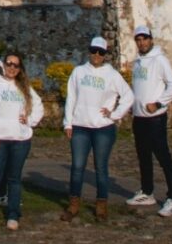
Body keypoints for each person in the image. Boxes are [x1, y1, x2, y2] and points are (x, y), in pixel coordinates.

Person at [61, 35, 134, 223]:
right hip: (80, 126)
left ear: (105, 55)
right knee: (77, 166)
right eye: (93, 51)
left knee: (101, 168)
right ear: (89, 51)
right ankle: (74, 204)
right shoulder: (78, 72)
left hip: (103, 128)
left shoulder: (112, 74)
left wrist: (115, 114)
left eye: (100, 52)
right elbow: (72, 97)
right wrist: (68, 122)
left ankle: (101, 205)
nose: (96, 55)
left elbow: (128, 96)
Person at [0, 51, 44, 231]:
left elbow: (38, 106)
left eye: (16, 65)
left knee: (14, 179)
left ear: (20, 68)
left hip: (20, 140)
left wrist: (30, 121)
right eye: (9, 64)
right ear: (4, 65)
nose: (12, 68)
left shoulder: (25, 87)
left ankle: (13, 215)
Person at [127, 25, 172, 217]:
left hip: (155, 118)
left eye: (145, 39)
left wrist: (159, 103)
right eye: (138, 39)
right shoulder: (138, 62)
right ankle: (147, 191)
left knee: (163, 156)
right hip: (139, 118)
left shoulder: (159, 60)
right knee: (143, 156)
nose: (142, 42)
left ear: (151, 39)